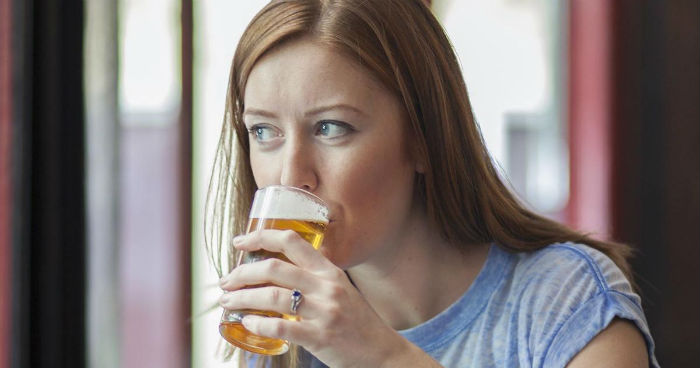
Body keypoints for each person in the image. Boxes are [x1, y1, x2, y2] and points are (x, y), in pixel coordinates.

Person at [206, 0, 658, 367]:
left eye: (330, 128)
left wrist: (382, 358)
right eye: (264, 132)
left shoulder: (565, 299)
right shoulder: (286, 326)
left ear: (424, 138)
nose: (291, 176)